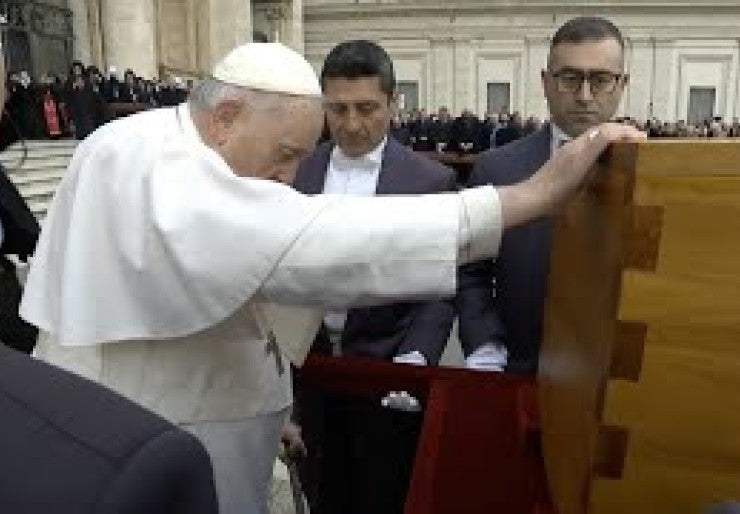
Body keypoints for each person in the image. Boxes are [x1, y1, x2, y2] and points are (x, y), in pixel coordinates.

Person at [20, 42, 643, 514]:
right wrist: (525, 199)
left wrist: (278, 402)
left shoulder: (191, 150)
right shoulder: (143, 155)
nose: (291, 176)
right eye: (286, 154)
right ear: (227, 115)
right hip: (155, 438)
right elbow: (304, 244)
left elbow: (243, 288)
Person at [292, 40, 456, 514]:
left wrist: (416, 354)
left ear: (393, 102)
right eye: (337, 109)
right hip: (311, 370)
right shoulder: (297, 171)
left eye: (366, 108)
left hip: (388, 372)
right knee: (322, 490)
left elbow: (440, 290)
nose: (351, 124)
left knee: (384, 492)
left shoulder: (428, 181)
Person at [457, 16, 630, 374]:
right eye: (569, 78)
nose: (584, 96)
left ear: (622, 84)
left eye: (600, 80)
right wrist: (485, 344)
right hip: (515, 368)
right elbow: (470, 272)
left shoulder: (659, 173)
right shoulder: (496, 169)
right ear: (546, 82)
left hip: (619, 379)